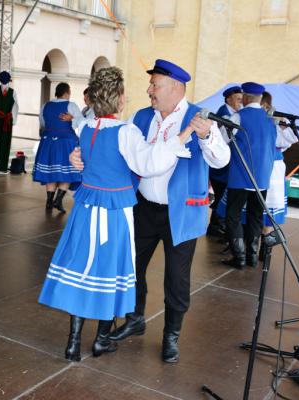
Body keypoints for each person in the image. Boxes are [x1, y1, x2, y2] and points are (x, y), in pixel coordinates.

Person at [40, 66, 201, 362]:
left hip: (86, 211)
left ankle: (74, 342)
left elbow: (85, 156)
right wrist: (183, 136)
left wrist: (79, 159)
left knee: (83, 270)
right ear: (120, 99)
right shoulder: (126, 131)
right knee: (111, 274)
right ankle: (100, 340)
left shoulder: (85, 127)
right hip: (114, 213)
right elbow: (149, 164)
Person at [79, 59, 230, 363]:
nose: (149, 90)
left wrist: (207, 136)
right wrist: (84, 156)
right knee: (131, 269)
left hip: (183, 212)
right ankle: (134, 319)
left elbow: (221, 161)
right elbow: (120, 153)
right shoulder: (140, 117)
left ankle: (171, 336)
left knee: (176, 279)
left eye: (155, 84)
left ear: (175, 87)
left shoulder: (199, 117)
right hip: (143, 207)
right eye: (150, 84)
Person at [222, 82, 277, 269]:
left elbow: (223, 139)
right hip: (262, 178)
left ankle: (239, 256)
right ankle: (252, 255)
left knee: (232, 215)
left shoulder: (238, 116)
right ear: (261, 99)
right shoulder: (270, 120)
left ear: (245, 97)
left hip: (240, 176)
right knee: (256, 216)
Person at [33, 82, 82, 213]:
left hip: (48, 141)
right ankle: (58, 200)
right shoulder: (71, 105)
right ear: (66, 92)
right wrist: (72, 119)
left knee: (51, 171)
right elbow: (82, 122)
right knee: (66, 172)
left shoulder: (46, 105)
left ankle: (49, 201)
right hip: (65, 142)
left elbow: (42, 122)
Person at [258, 91, 298, 238]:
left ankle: (265, 246)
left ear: (265, 105)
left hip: (272, 167)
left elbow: (291, 139)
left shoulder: (276, 121)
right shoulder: (254, 119)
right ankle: (250, 248)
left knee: (270, 207)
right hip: (256, 165)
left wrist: (282, 123)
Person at [207, 86, 242, 237]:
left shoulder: (232, 113)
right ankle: (215, 226)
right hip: (221, 168)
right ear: (228, 99)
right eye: (238, 99)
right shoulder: (224, 115)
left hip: (225, 167)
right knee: (222, 196)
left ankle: (216, 225)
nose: (241, 102)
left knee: (222, 196)